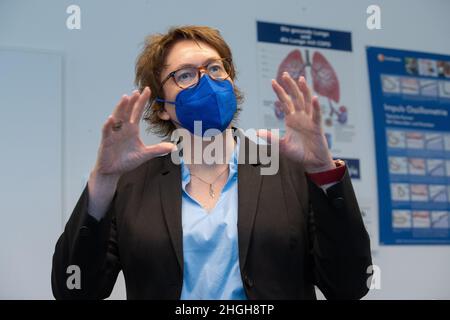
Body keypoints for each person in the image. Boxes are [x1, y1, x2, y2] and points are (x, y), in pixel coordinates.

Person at [51, 25, 372, 300]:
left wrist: (322, 171)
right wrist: (103, 180)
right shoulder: (132, 184)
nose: (207, 82)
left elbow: (350, 285)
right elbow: (75, 290)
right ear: (161, 107)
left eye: (215, 69)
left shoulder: (287, 170)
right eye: (186, 75)